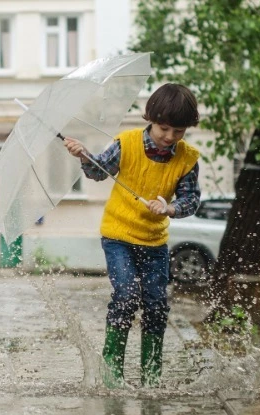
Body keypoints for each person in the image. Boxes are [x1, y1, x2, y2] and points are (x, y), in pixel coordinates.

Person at [63, 83, 201, 388]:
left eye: (178, 131)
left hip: (155, 241)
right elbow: (98, 172)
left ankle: (151, 378)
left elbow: (191, 200)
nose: (170, 137)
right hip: (118, 236)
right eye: (164, 128)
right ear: (150, 119)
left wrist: (171, 208)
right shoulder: (126, 144)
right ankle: (112, 376)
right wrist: (84, 155)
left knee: (156, 305)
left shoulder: (187, 158)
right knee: (126, 297)